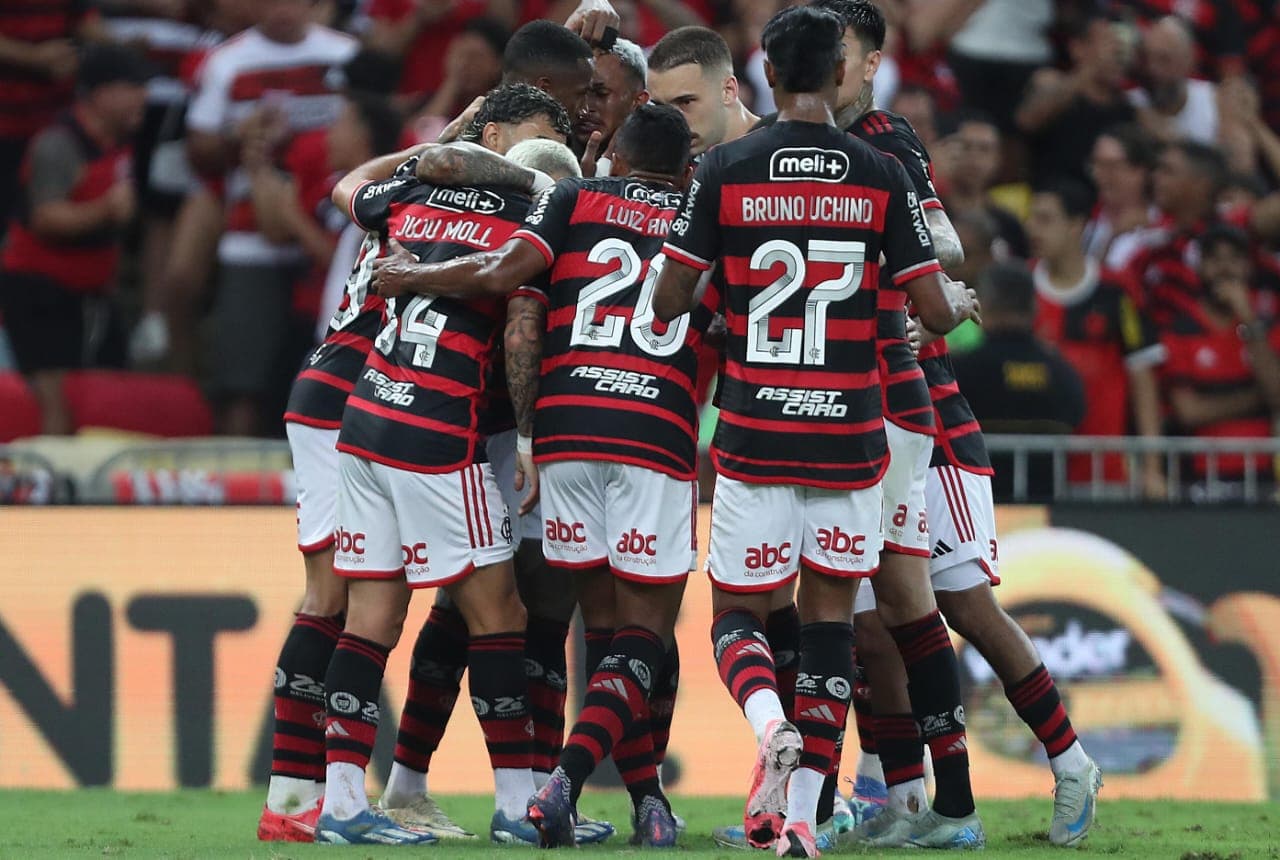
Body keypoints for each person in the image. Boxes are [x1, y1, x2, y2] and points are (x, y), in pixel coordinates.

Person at [652, 7, 980, 856]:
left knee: (740, 615)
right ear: (841, 73)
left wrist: (729, 282)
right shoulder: (878, 171)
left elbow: (665, 302)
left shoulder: (723, 168)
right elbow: (938, 309)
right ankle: (801, 818)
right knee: (833, 623)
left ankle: (769, 725)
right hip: (851, 439)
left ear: (764, 75)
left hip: (756, 436)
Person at [372, 103, 711, 848]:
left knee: (598, 628)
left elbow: (504, 276)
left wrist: (412, 274)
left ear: (615, 156)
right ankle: (569, 781)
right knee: (645, 634)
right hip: (654, 431)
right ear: (686, 164)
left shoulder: (574, 196)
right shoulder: (701, 208)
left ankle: (640, 800)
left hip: (564, 431)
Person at [312, 95, 573, 848]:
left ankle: (339, 807)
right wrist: (523, 438)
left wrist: (439, 144)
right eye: (549, 136)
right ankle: (517, 806)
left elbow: (347, 187)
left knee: (372, 621)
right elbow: (512, 295)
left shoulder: (416, 194)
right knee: (501, 618)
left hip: (366, 420)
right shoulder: (536, 215)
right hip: (438, 431)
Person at [185, 0, 358, 436]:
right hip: (251, 239)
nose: (282, 9)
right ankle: (234, 494)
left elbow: (376, 125)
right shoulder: (227, 61)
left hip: (329, 236)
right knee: (244, 380)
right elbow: (198, 151)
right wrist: (238, 137)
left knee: (330, 377)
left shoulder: (344, 54)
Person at [0, 43, 150, 435]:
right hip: (40, 288)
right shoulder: (59, 144)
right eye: (133, 86)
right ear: (101, 93)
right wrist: (104, 210)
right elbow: (46, 216)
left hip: (92, 292)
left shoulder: (119, 140)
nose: (144, 96)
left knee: (108, 382)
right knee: (51, 392)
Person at [1026, 180, 1166, 494]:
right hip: (1031, 476)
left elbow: (1143, 381)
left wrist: (1152, 467)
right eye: (1031, 218)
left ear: (1077, 225)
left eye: (1045, 219)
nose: (1032, 228)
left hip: (1103, 474)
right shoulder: (1021, 287)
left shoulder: (1116, 292)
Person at [952, 262, 1087, 499]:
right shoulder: (1063, 374)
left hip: (977, 508)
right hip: (1047, 516)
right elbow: (1076, 413)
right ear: (1034, 308)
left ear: (983, 305)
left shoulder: (960, 371)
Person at [1161, 224, 1280, 486]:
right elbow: (1189, 412)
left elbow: (1277, 395)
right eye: (1214, 259)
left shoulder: (1266, 328)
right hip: (1200, 476)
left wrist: (1248, 318)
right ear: (1199, 267)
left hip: (1262, 474)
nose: (1225, 269)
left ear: (1248, 267)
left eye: (1234, 259)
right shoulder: (1181, 330)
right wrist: (1256, 401)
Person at [0, 0, 102, 240]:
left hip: (52, 120)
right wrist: (31, 56)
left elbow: (84, 21)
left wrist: (121, 50)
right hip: (6, 118)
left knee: (36, 217)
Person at [1015, 11, 1135, 189]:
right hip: (1053, 197)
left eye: (1119, 46)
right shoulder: (1051, 81)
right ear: (1077, 48)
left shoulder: (1128, 103)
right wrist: (1091, 68)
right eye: (1107, 43)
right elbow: (1026, 120)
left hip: (1099, 205)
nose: (1115, 53)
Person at [646, 26, 759, 158]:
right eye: (661, 107)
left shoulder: (783, 150)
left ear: (728, 91)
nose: (673, 122)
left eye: (685, 102)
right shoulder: (665, 160)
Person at [937, 110, 1029, 259]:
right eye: (966, 147)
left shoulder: (1008, 226)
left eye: (984, 149)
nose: (974, 158)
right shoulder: (929, 213)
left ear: (998, 159)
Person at [1127, 16, 1219, 145]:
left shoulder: (1215, 103)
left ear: (1189, 61)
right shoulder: (1129, 106)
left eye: (1164, 59)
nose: (1153, 69)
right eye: (1147, 58)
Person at [1082, 123, 1159, 269]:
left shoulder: (1162, 224)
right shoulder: (1084, 220)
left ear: (1140, 171)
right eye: (1095, 164)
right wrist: (1111, 239)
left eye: (1111, 166)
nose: (1098, 175)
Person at [575, 37, 648, 167]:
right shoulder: (549, 149)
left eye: (601, 94)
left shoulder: (659, 162)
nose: (585, 107)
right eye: (581, 93)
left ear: (638, 100)